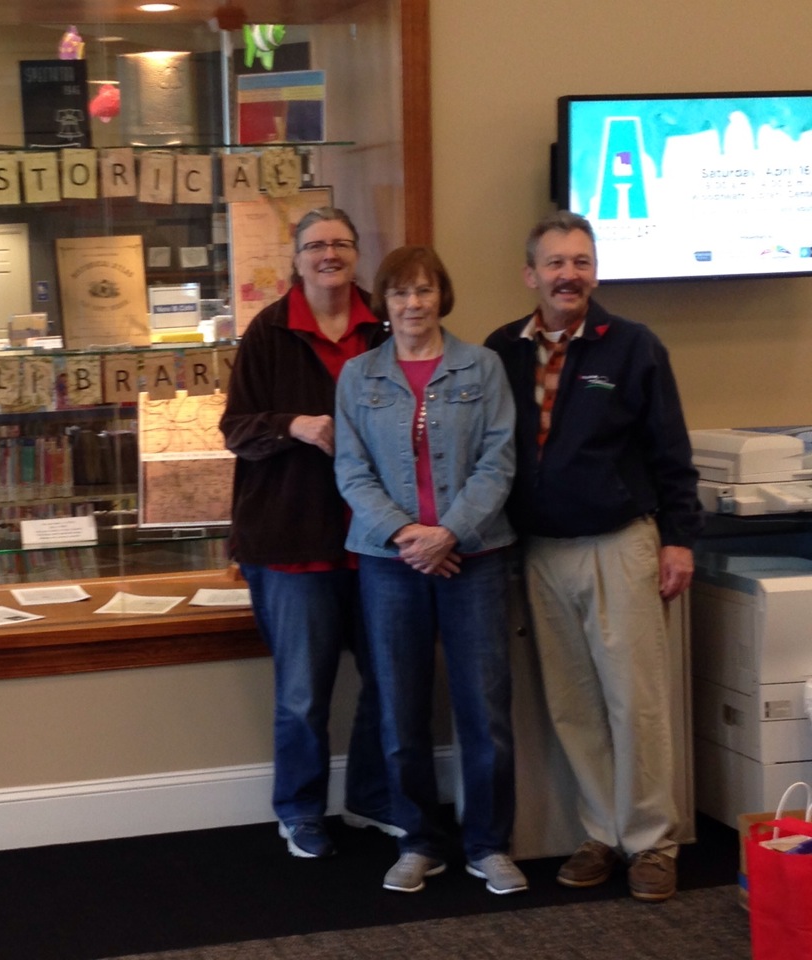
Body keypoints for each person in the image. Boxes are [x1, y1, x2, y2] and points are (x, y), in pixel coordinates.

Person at [484, 210, 703, 902]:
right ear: (531, 275)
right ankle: (602, 833)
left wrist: (679, 537)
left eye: (580, 261)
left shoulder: (632, 346)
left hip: (620, 545)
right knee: (573, 706)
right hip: (541, 552)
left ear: (595, 271)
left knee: (635, 701)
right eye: (555, 263)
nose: (568, 274)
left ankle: (651, 842)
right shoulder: (502, 351)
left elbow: (671, 450)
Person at [335, 245, 523, 895]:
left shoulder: (483, 366)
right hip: (389, 563)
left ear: (442, 295)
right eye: (398, 294)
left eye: (423, 291)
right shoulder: (358, 377)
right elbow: (350, 470)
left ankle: (489, 846)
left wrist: (449, 533)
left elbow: (499, 461)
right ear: (382, 305)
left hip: (475, 557)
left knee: (485, 709)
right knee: (399, 709)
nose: (412, 304)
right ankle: (418, 842)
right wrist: (408, 535)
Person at [221, 207, 394, 859]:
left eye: (342, 244)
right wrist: (295, 425)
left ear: (357, 254)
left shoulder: (386, 323)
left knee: (389, 681)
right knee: (301, 693)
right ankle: (299, 811)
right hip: (292, 543)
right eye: (316, 245)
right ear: (295, 259)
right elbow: (234, 428)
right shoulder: (269, 332)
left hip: (377, 542)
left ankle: (374, 800)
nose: (329, 254)